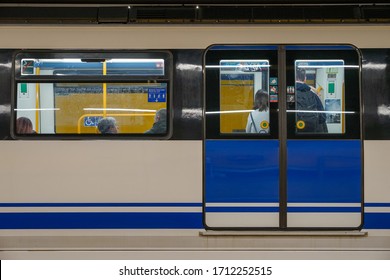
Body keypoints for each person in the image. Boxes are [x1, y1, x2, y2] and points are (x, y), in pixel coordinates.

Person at [295, 68, 328, 133]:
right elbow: (322, 117)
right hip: (313, 133)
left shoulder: (288, 94)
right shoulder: (313, 93)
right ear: (305, 79)